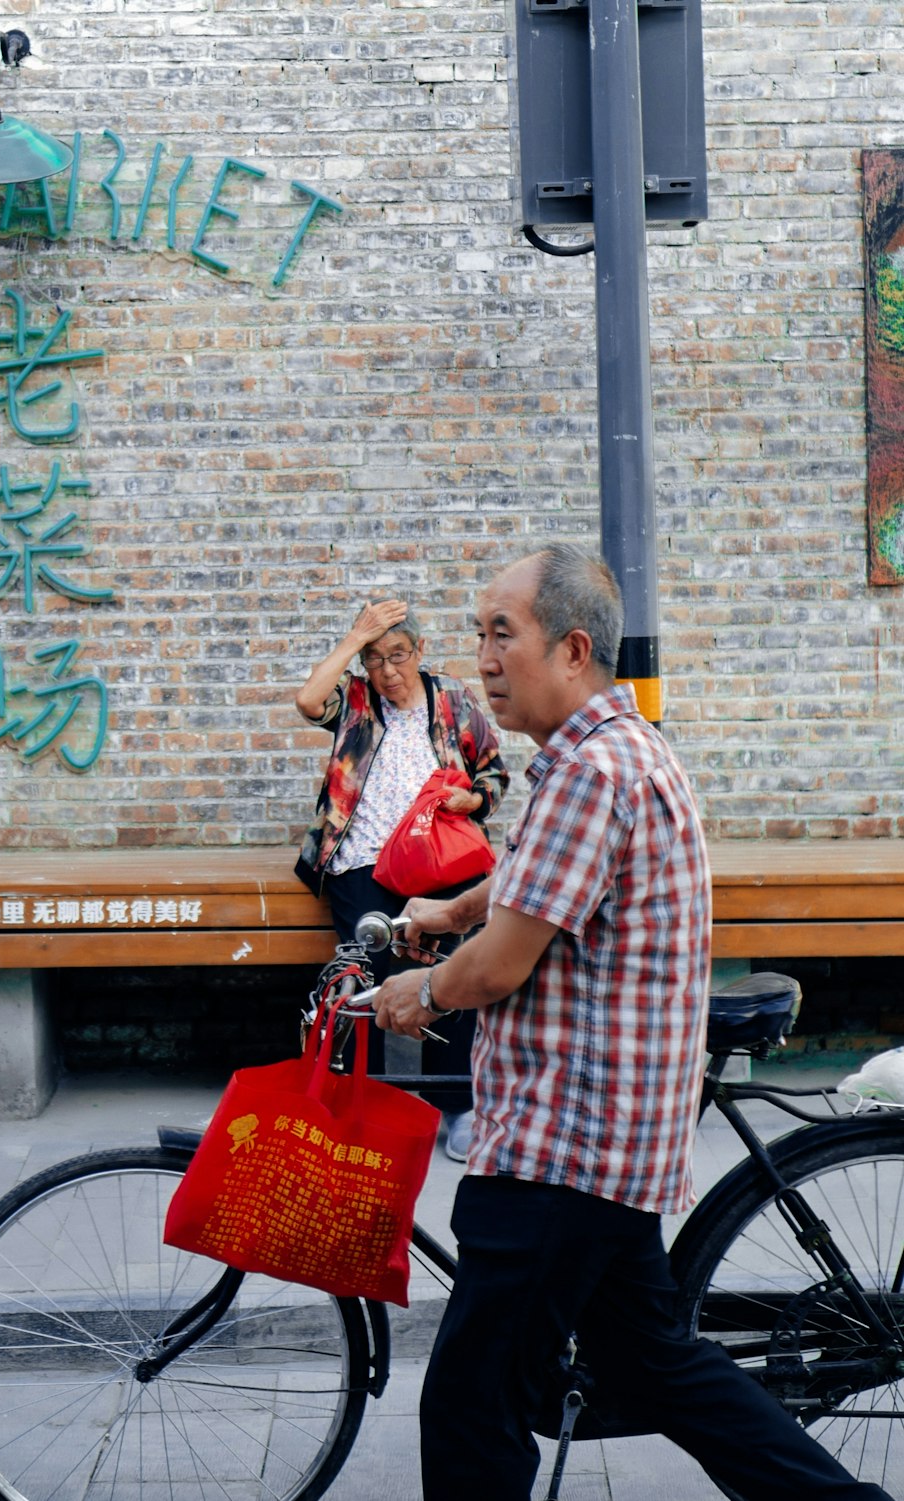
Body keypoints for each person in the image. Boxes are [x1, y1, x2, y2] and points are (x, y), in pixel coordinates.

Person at [374, 544, 893, 1501]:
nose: (482, 656)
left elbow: (498, 968)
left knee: (470, 1405)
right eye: (480, 631)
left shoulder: (590, 773)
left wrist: (425, 990)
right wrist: (451, 912)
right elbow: (536, 875)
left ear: (573, 650)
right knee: (658, 1365)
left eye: (503, 632)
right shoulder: (613, 750)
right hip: (607, 1146)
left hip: (560, 1153)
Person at [294, 596, 509, 1160]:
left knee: (450, 970)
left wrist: (473, 798)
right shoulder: (358, 701)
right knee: (363, 976)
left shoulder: (453, 698)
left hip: (437, 859)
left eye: (398, 655)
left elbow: (493, 770)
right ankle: (366, 1104)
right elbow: (308, 700)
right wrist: (351, 638)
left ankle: (457, 1106)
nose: (388, 671)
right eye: (374, 659)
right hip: (361, 859)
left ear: (420, 651)